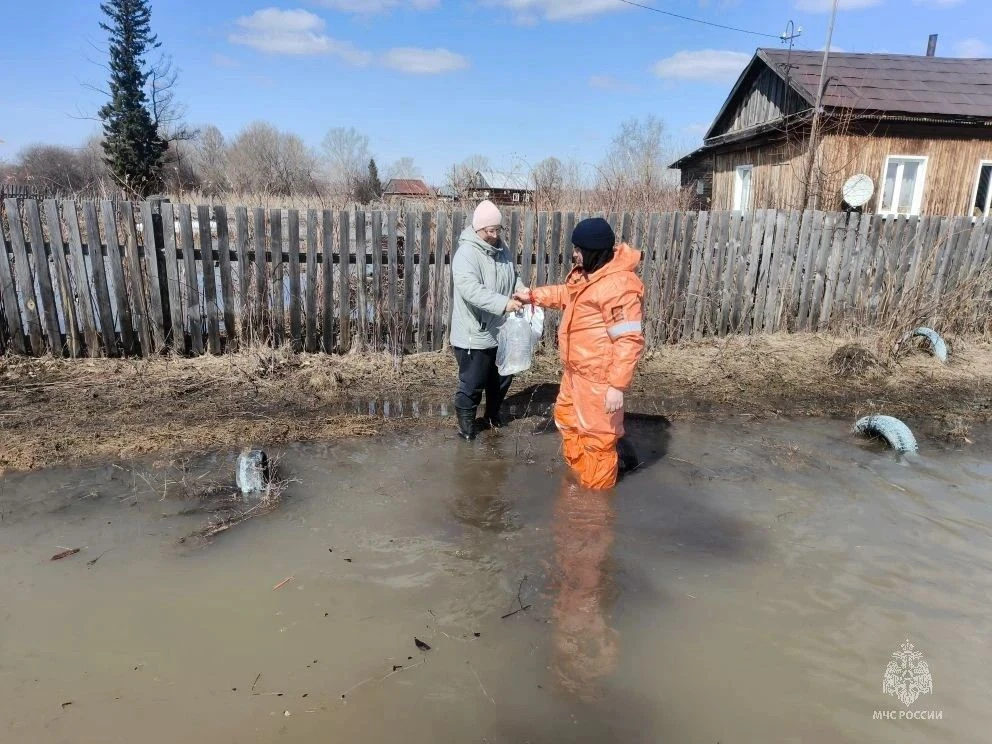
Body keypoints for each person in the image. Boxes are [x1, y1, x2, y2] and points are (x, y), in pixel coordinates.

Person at [514, 217, 644, 489]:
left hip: (599, 379)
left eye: (579, 248)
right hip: (576, 373)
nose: (574, 253)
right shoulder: (591, 276)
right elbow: (567, 295)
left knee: (597, 440)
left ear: (594, 250)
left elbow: (628, 339)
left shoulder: (618, 286)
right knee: (567, 420)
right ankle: (579, 478)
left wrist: (617, 386)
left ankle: (595, 506)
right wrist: (534, 296)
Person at [450, 199, 527, 441]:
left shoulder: (502, 251)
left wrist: (522, 292)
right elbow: (471, 290)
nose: (494, 235)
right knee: (473, 384)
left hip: (501, 330)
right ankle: (467, 427)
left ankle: (492, 416)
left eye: (497, 230)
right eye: (489, 231)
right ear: (477, 229)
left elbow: (513, 277)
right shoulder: (466, 254)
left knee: (502, 378)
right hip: (475, 334)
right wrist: (504, 304)